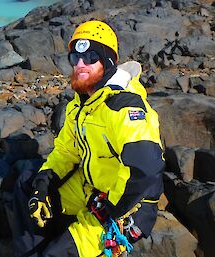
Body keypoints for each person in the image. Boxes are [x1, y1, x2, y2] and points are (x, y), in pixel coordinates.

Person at [13, 20, 165, 257]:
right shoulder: (81, 102)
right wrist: (43, 184)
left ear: (108, 61)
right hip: (91, 188)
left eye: (91, 57)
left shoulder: (124, 107)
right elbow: (66, 150)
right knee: (27, 185)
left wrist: (112, 208)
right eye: (75, 58)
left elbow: (145, 170)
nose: (80, 64)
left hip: (125, 205)